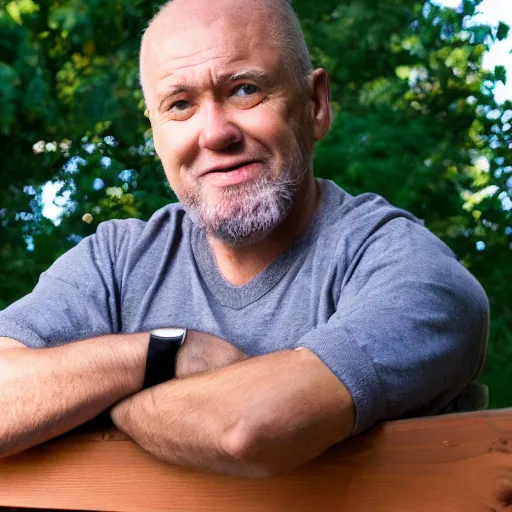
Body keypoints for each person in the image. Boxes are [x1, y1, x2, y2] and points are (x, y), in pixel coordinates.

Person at [0, 0, 489, 478]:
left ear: (315, 104)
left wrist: (103, 400)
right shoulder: (118, 261)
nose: (214, 134)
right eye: (180, 104)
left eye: (245, 90)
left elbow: (251, 430)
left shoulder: (409, 269)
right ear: (154, 133)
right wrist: (163, 353)